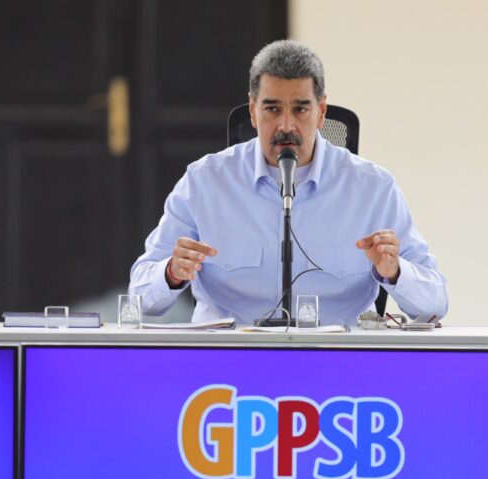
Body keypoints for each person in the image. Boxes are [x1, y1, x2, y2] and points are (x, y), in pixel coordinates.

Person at [129, 40, 447, 326]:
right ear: (252, 111)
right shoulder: (204, 182)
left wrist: (395, 271)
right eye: (272, 109)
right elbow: (139, 298)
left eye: (300, 109)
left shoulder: (372, 188)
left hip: (334, 361)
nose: (286, 125)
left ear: (321, 112)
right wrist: (170, 272)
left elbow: (435, 304)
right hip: (230, 361)